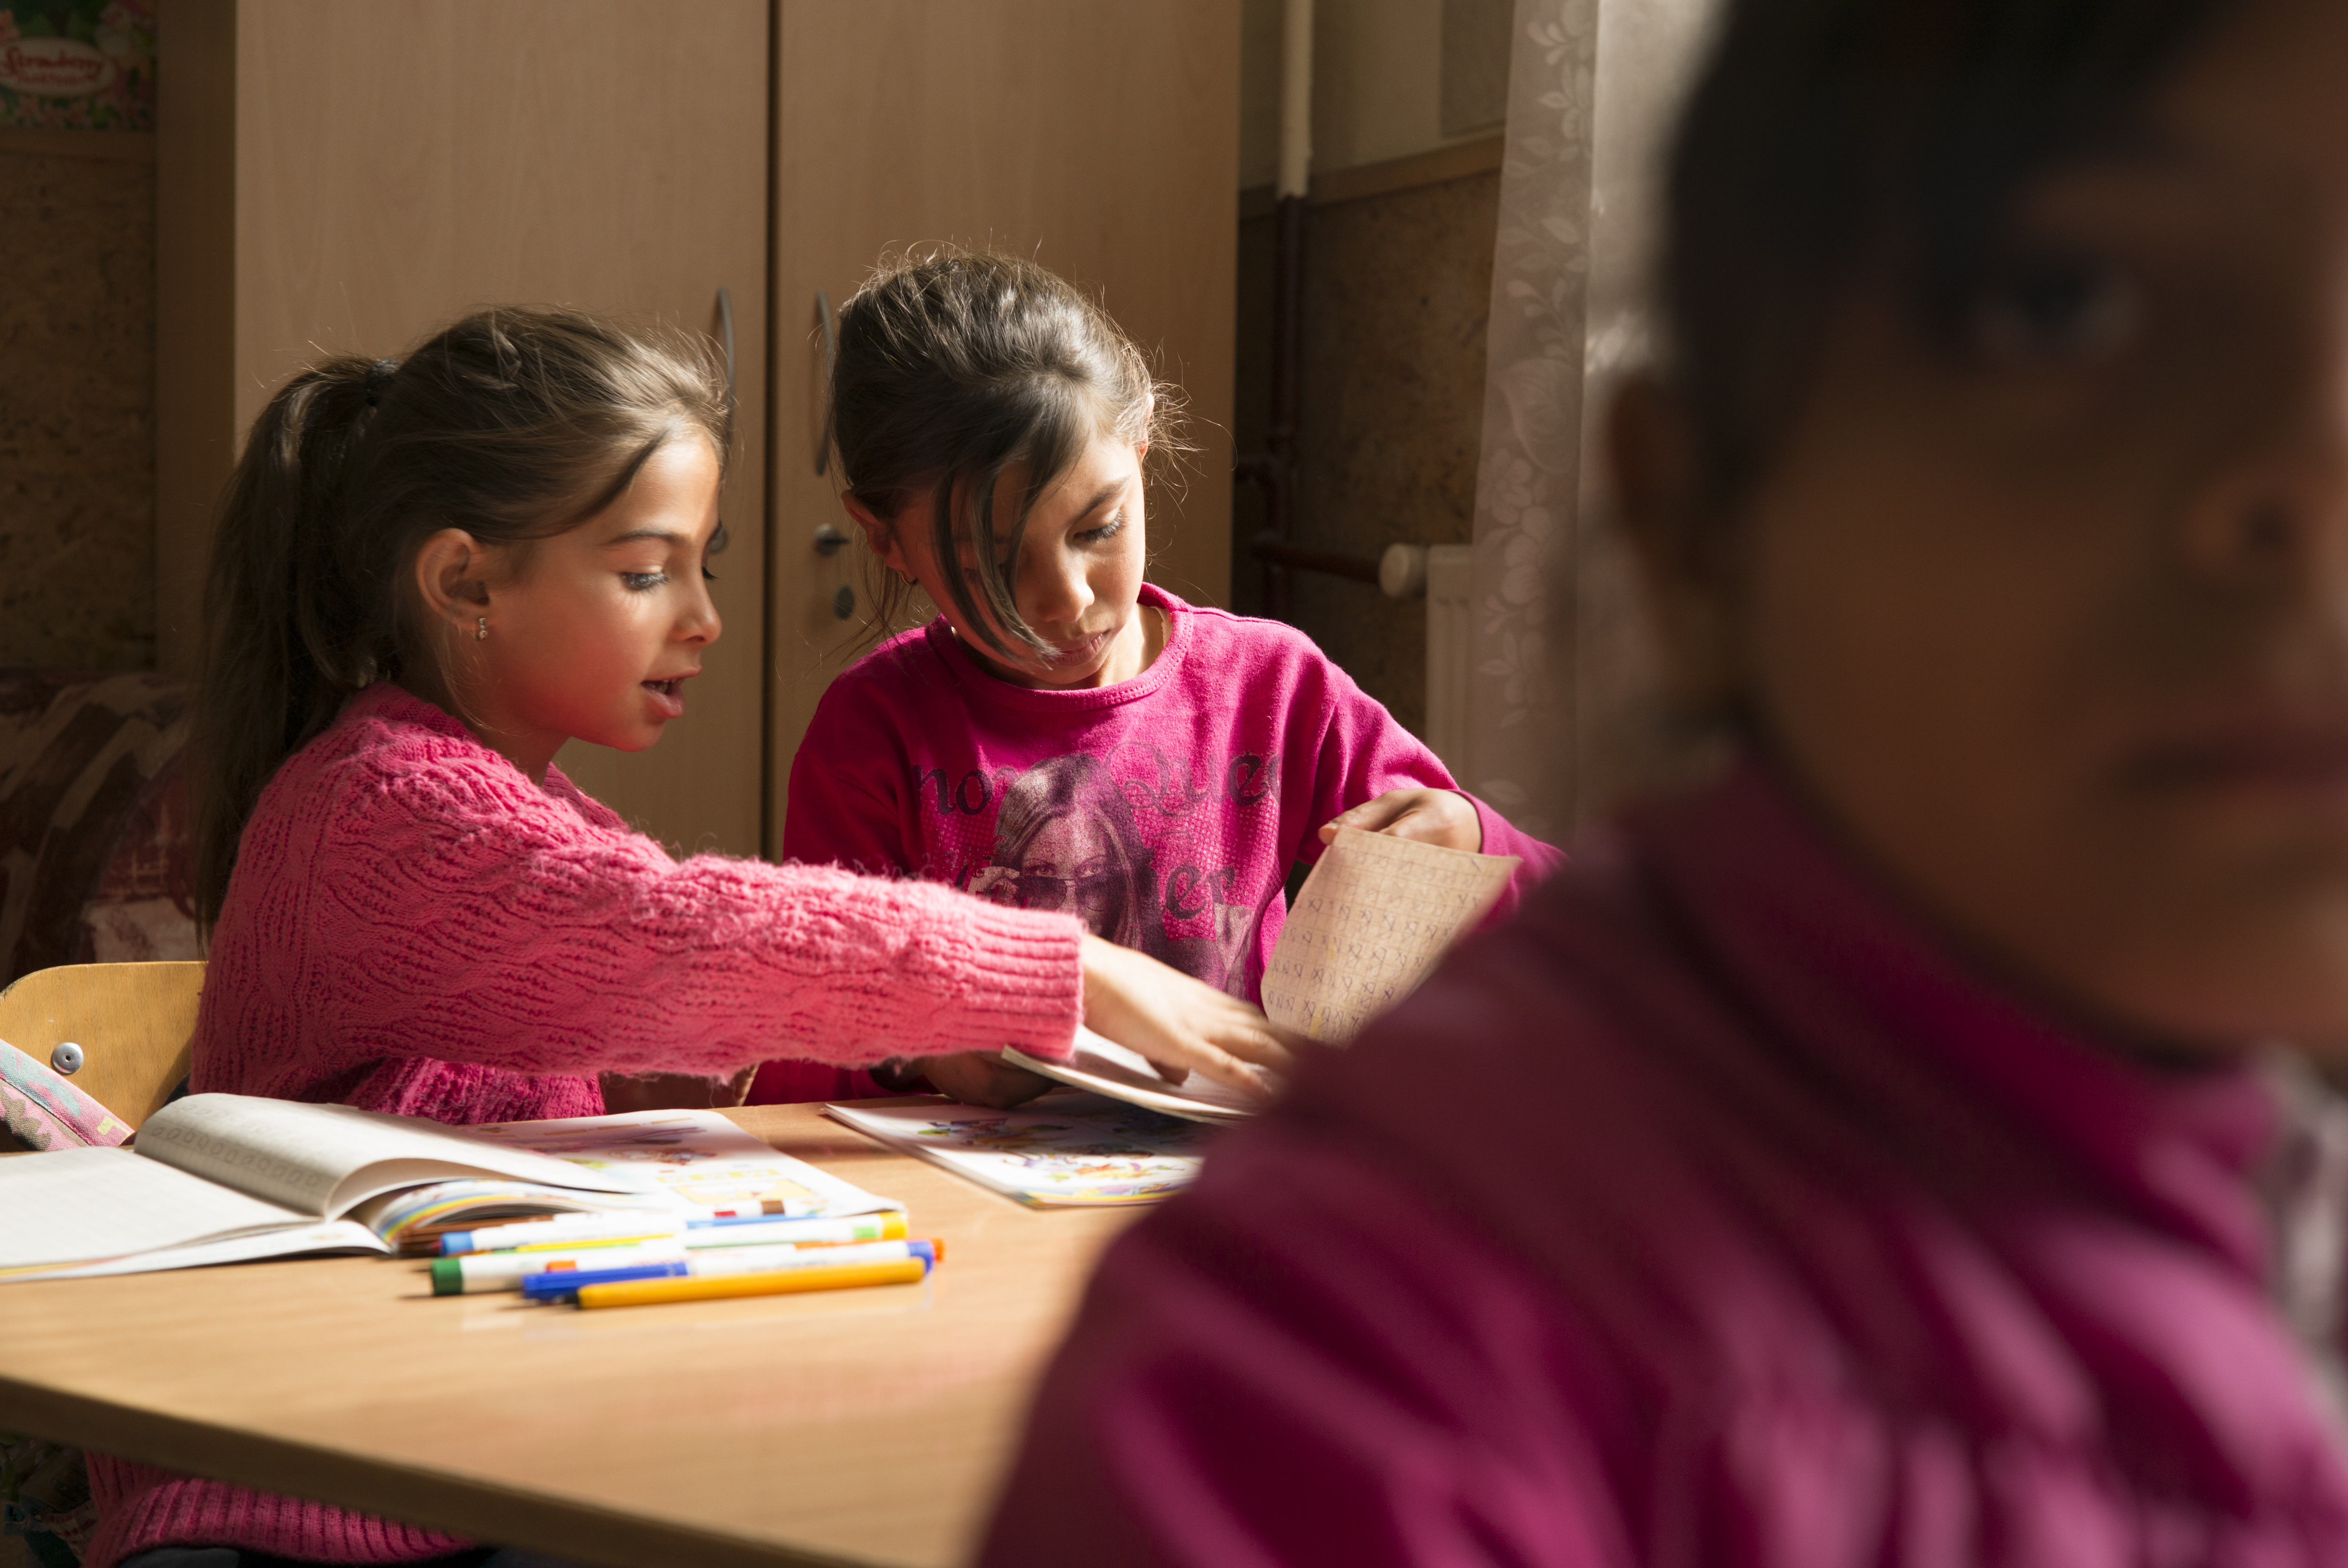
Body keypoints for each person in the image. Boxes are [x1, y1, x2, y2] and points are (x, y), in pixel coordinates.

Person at [978, 0, 2348, 1560]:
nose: (2316, 474)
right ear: (1691, 521)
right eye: (2067, 305)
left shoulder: (1274, 676)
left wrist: (1451, 835)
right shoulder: (1352, 1367)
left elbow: (1456, 843)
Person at [86, 307, 1291, 1568]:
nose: (705, 617)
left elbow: (620, 1019)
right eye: (650, 571)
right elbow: (680, 939)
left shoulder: (528, 805)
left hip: (460, 1445)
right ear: (466, 584)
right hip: (298, 1506)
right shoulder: (379, 802)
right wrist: (1066, 970)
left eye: (704, 564)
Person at [764, 253, 1562, 1108]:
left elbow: (1564, 919)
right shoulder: (873, 734)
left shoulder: (1273, 689)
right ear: (885, 539)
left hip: (1220, 1185)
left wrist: (1473, 839)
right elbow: (797, 1060)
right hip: (967, 1209)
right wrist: (918, 1050)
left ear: (1140, 452)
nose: (1066, 600)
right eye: (994, 561)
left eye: (1099, 526)